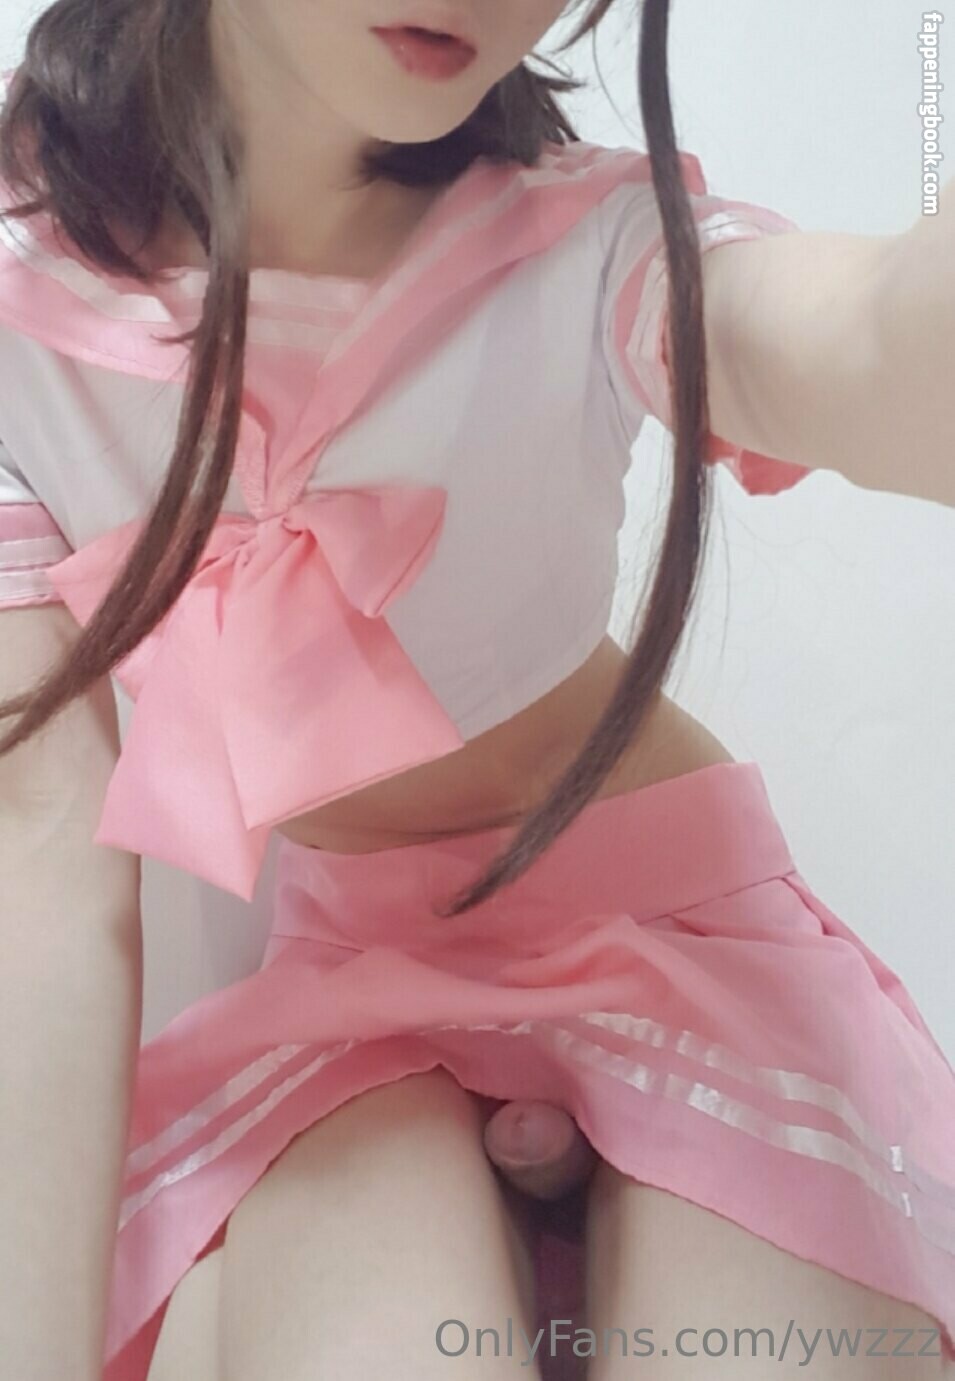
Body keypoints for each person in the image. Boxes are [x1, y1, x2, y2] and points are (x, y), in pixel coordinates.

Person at [0, 2, 952, 1379]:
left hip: (678, 936)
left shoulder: (588, 245)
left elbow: (851, 345)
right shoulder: (23, 297)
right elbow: (38, 860)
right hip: (351, 985)